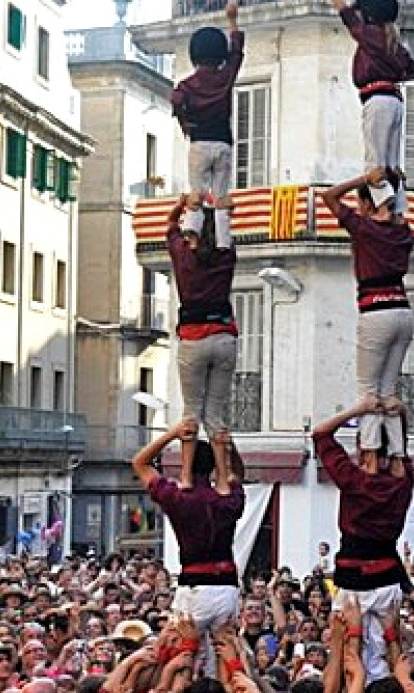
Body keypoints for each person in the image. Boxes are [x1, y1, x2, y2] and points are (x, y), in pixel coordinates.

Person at [132, 417, 244, 672]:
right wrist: (229, 449)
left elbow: (139, 463)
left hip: (193, 588)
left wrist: (173, 434)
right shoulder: (227, 500)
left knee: (183, 661)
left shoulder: (177, 498)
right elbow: (239, 475)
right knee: (225, 660)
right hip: (226, 587)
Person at [312, 399, 412, 680]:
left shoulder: (354, 480)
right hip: (386, 575)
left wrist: (359, 410)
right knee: (389, 647)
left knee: (346, 650)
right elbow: (400, 455)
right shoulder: (402, 481)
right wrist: (398, 418)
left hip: (353, 576)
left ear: (361, 448)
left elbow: (320, 433)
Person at [319, 171, 414, 459]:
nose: (358, 208)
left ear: (369, 201)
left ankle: (371, 454)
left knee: (368, 394)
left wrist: (362, 178)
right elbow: (398, 211)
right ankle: (397, 456)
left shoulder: (364, 228)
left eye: (360, 202)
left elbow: (328, 197)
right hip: (402, 309)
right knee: (387, 392)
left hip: (375, 310)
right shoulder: (404, 231)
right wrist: (394, 184)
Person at [327, 0, 414, 215]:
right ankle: (397, 209)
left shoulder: (371, 34)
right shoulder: (394, 43)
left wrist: (339, 4)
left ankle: (382, 209)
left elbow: (348, 18)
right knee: (391, 164)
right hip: (395, 100)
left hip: (377, 99)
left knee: (374, 163)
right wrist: (394, 72)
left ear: (369, 15)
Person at [165, 196, 240, 441]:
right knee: (215, 414)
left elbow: (170, 223)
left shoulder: (183, 256)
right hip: (223, 337)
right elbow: (226, 234)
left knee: (191, 412)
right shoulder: (226, 256)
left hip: (192, 338)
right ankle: (222, 474)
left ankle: (186, 475)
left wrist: (183, 204)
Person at [170, 0, 244, 250]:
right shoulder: (225, 76)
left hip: (200, 142)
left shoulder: (186, 86)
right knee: (221, 196)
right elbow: (237, 53)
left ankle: (192, 233)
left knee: (197, 193)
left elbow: (177, 103)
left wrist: (185, 125)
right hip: (223, 142)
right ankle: (224, 241)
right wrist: (232, 20)